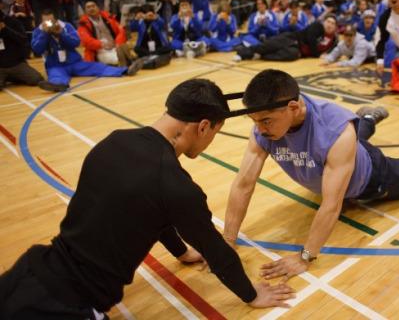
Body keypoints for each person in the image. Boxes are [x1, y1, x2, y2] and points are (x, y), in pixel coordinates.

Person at [0, 79, 296, 318]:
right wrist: (252, 294)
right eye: (214, 133)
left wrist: (180, 253)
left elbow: (151, 210)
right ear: (203, 126)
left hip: (29, 270)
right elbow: (216, 250)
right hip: (67, 305)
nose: (209, 142)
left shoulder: (112, 141)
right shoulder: (175, 185)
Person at [222, 69, 399, 279]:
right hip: (338, 158)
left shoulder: (335, 129)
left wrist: (305, 256)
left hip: (371, 177)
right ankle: (367, 118)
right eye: (254, 121)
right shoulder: (265, 129)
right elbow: (243, 184)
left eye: (265, 121)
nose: (259, 129)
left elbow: (332, 203)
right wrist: (228, 239)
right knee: (345, 141)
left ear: (293, 107)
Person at [32, 9, 142, 92]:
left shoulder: (66, 27)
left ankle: (125, 70)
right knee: (56, 75)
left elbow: (75, 42)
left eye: (51, 21)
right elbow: (37, 49)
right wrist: (44, 34)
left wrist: (61, 34)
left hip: (75, 62)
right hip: (55, 65)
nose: (49, 24)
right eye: (46, 21)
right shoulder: (38, 31)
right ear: (41, 21)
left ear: (56, 19)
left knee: (96, 67)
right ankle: (58, 85)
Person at [234, 14, 337, 62]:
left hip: (298, 51)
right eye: (328, 22)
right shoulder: (317, 26)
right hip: (291, 38)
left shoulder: (334, 40)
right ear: (324, 22)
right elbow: (311, 40)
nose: (329, 25)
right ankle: (242, 54)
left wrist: (327, 55)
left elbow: (334, 50)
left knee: (291, 55)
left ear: (335, 27)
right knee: (266, 46)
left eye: (332, 23)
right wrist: (317, 55)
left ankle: (259, 56)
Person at [78, 0, 138, 67]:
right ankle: (127, 63)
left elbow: (121, 31)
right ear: (85, 11)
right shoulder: (83, 24)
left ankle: (127, 62)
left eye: (93, 6)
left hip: (115, 46)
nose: (91, 8)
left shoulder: (108, 17)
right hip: (100, 50)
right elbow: (86, 41)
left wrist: (118, 43)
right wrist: (102, 44)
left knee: (123, 47)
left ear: (98, 8)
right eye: (88, 7)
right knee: (116, 59)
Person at [0, 9, 43, 90]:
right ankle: (8, 78)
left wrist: (5, 29)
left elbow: (23, 39)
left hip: (16, 64)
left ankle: (12, 77)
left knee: (36, 79)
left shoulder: (13, 21)